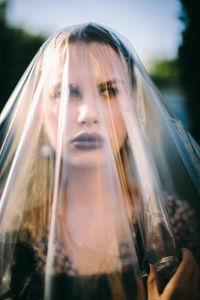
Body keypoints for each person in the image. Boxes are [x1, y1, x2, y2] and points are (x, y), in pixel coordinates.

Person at [0, 23, 199, 300]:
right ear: (39, 111)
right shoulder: (12, 229)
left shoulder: (174, 223)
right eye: (67, 92)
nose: (88, 113)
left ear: (132, 106)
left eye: (108, 90)